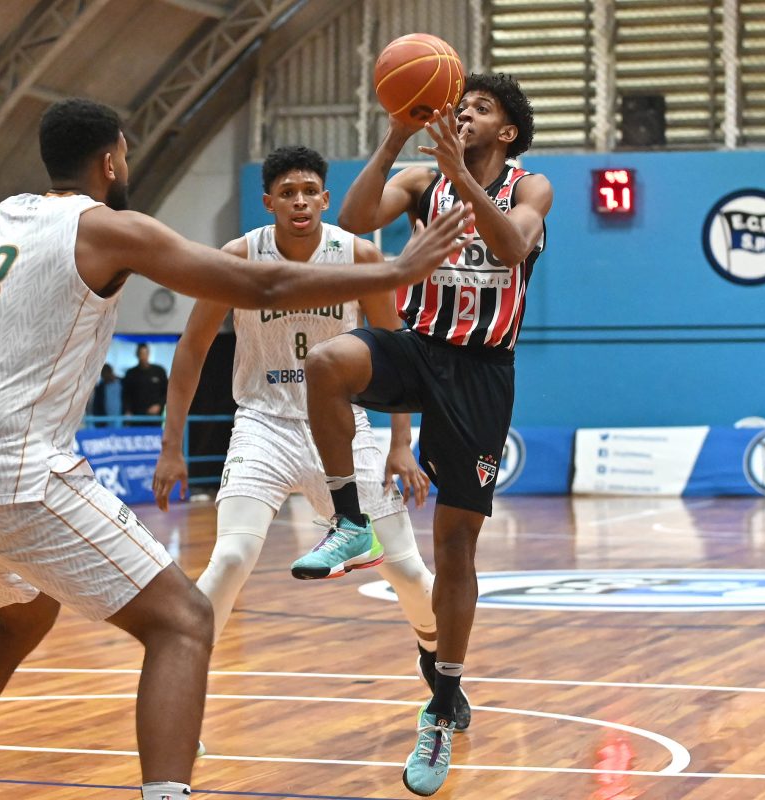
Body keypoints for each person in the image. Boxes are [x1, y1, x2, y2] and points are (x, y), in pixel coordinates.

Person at [0, 97, 472, 800]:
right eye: (126, 154)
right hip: (13, 467)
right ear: (110, 161)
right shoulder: (111, 228)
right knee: (184, 621)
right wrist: (399, 271)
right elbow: (262, 285)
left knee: (24, 614)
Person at [292, 74, 552, 796]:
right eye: (459, 107)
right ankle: (351, 522)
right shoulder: (419, 180)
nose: (464, 114)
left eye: (481, 110)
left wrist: (462, 178)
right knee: (327, 364)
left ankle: (442, 703)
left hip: (481, 373)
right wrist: (396, 136)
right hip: (419, 346)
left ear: (507, 133)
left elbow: (510, 248)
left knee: (455, 545)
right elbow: (351, 223)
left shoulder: (530, 188)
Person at [151, 145, 469, 726]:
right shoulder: (239, 256)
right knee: (231, 557)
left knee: (406, 571)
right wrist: (171, 447)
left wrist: (401, 442)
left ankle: (435, 662)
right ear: (268, 202)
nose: (299, 201)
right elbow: (192, 348)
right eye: (287, 193)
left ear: (325, 199)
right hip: (263, 423)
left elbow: (396, 348)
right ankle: (182, 692)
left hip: (342, 424)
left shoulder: (358, 254)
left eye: (308, 192)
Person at [122, 343, 167, 422]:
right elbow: (126, 394)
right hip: (136, 417)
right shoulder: (131, 373)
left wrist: (159, 405)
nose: (143, 357)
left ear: (148, 354)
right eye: (141, 354)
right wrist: (127, 410)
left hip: (155, 417)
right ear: (137, 355)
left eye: (145, 353)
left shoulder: (159, 371)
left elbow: (166, 392)